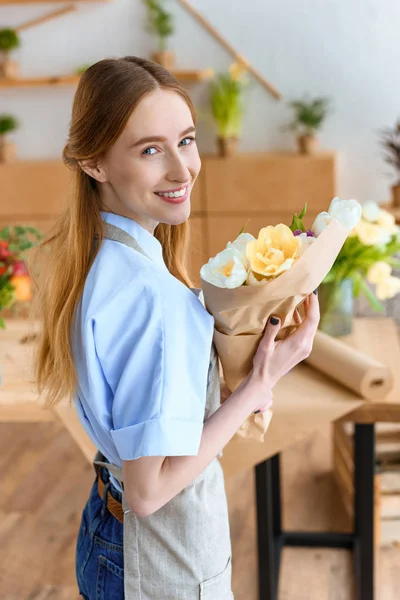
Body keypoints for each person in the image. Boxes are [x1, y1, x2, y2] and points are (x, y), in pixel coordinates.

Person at [30, 56, 320, 600]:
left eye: (185, 140)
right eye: (150, 150)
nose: (183, 170)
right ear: (94, 163)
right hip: (153, 558)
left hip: (107, 528)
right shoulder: (150, 297)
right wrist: (260, 382)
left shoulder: (95, 257)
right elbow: (149, 490)